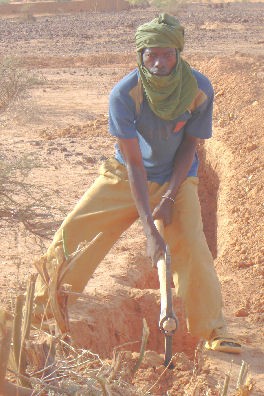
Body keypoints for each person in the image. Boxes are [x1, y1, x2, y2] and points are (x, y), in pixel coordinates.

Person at [33, 13, 241, 353]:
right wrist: (149, 227)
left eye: (167, 54)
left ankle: (214, 330)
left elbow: (190, 145)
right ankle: (42, 310)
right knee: (76, 233)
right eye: (151, 54)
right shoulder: (124, 94)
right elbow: (132, 161)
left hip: (178, 177)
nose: (159, 62)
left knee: (193, 248)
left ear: (179, 54)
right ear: (140, 55)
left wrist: (171, 197)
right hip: (125, 176)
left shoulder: (199, 89)